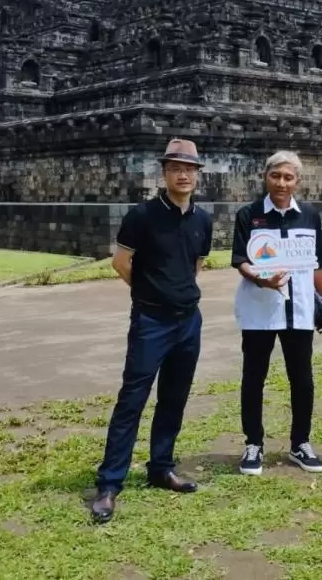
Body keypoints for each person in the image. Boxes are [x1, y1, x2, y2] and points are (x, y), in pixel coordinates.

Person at [90, 138, 214, 524]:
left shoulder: (202, 219)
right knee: (133, 399)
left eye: (190, 169)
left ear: (197, 174)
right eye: (176, 167)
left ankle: (161, 466)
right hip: (151, 321)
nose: (183, 174)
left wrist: (178, 295)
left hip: (188, 320)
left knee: (174, 397)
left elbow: (194, 266)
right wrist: (148, 293)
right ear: (164, 172)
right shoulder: (142, 216)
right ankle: (110, 483)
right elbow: (120, 262)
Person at [230, 150, 322, 476]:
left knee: (302, 379)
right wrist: (262, 279)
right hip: (260, 310)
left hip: (299, 310)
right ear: (266, 177)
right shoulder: (249, 215)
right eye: (276, 176)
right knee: (254, 377)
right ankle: (253, 444)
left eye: (288, 177)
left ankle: (300, 443)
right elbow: (240, 260)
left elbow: (319, 263)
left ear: (297, 181)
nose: (282, 183)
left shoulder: (309, 216)